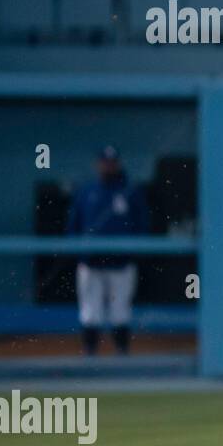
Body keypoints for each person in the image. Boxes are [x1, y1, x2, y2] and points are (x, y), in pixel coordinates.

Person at [67, 146, 149, 356]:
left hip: (120, 263)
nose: (108, 166)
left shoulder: (130, 191)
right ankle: (89, 355)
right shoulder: (86, 191)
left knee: (120, 311)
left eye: (112, 162)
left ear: (118, 164)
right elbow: (72, 227)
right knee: (90, 311)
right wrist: (80, 251)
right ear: (98, 164)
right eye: (105, 162)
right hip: (91, 263)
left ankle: (122, 355)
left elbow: (142, 226)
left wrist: (131, 252)